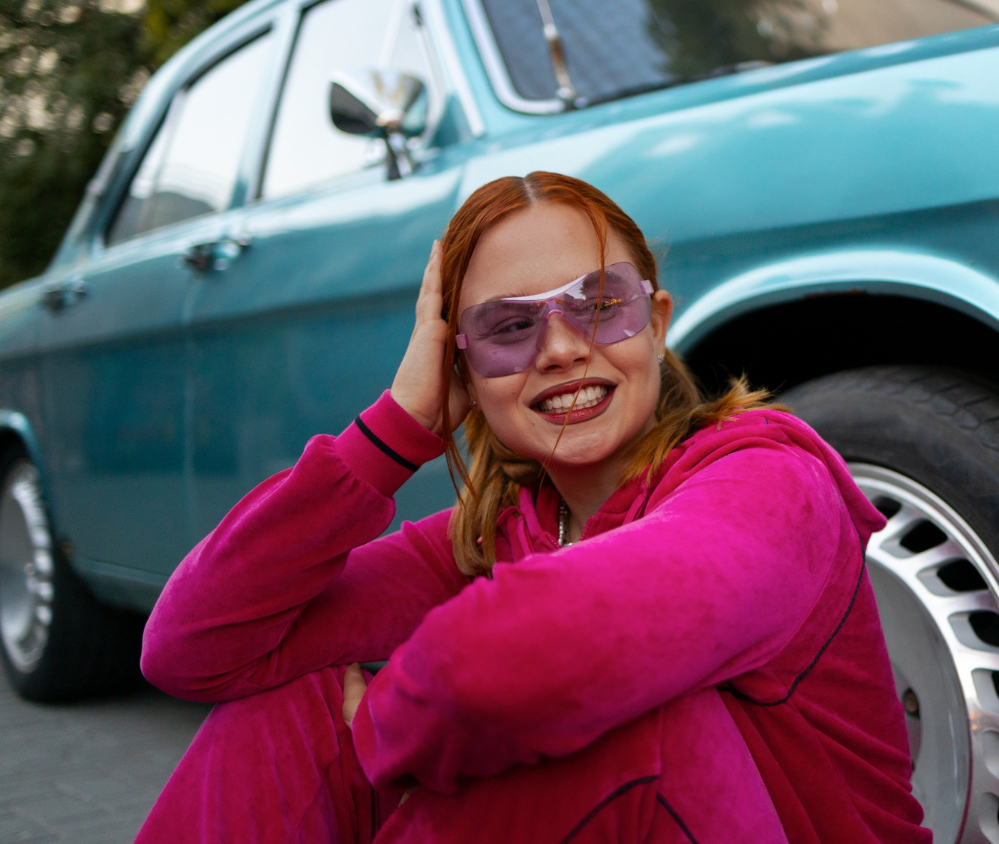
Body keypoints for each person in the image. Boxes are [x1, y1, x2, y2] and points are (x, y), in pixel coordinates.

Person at [136, 172, 929, 843]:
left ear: (655, 323)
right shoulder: (493, 537)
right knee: (290, 707)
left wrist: (379, 731)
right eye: (511, 326)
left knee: (619, 717)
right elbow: (192, 646)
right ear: (464, 371)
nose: (560, 348)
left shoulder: (768, 482)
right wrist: (396, 430)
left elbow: (545, 650)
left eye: (599, 304)